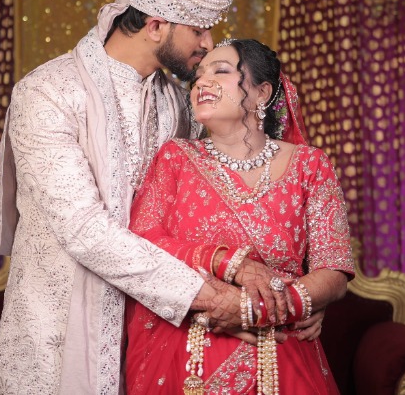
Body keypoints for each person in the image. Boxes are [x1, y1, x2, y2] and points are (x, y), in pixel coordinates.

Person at [0, 0, 253, 395]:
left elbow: (208, 210)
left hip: (155, 337)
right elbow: (86, 230)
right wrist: (209, 297)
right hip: (56, 336)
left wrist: (288, 295)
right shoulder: (48, 92)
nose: (208, 46)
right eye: (199, 30)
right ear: (155, 26)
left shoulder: (177, 105)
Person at [125, 38, 356, 394]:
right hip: (187, 350)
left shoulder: (310, 166)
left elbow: (334, 269)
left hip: (280, 350)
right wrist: (222, 265)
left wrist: (258, 308)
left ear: (262, 92)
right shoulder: (176, 158)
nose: (202, 82)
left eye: (221, 71)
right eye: (198, 75)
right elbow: (143, 241)